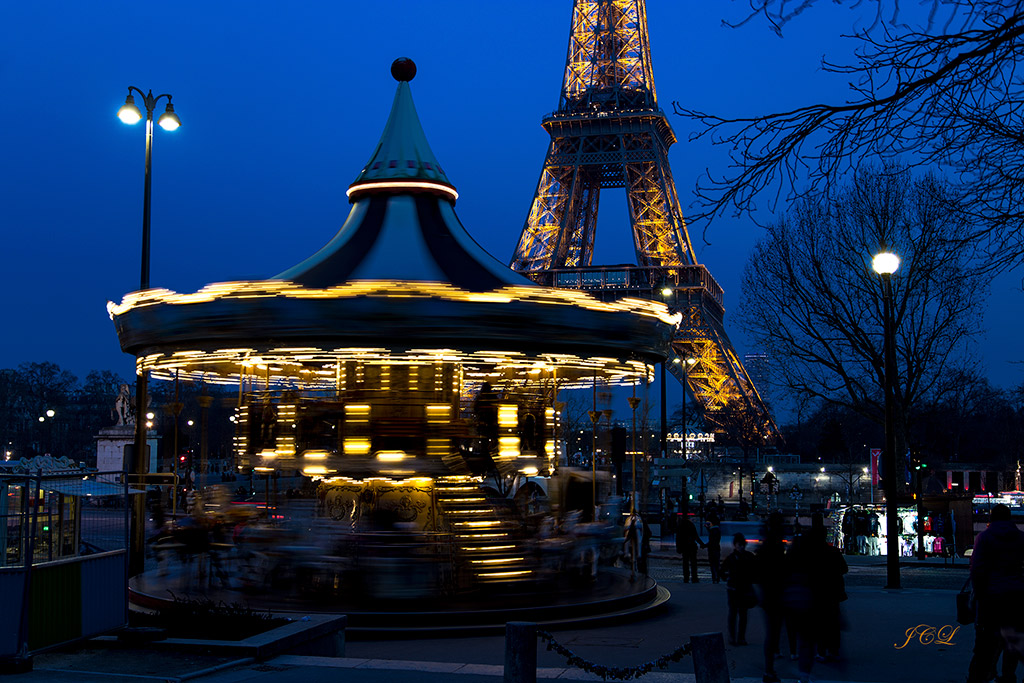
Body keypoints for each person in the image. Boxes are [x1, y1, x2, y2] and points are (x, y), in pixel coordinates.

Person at [967, 504, 1024, 683]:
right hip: (1016, 597)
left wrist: (979, 594)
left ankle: (982, 675)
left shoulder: (984, 538)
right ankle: (1008, 676)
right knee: (1012, 642)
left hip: (990, 597)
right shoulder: (1021, 538)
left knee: (985, 642)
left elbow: (977, 570)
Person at [756, 511, 788, 683]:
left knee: (772, 632)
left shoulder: (767, 545)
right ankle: (770, 668)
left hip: (768, 594)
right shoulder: (775, 545)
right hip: (777, 594)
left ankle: (770, 667)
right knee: (775, 632)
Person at [721, 532, 757, 645]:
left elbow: (722, 571)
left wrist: (726, 578)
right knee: (741, 614)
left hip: (734, 589)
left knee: (736, 614)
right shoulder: (749, 556)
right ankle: (740, 637)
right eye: (739, 544)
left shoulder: (731, 558)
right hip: (741, 589)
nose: (740, 546)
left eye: (741, 544)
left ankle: (735, 637)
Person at [676, 512, 706, 583]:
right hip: (692, 546)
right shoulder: (691, 525)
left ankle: (686, 577)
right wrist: (702, 544)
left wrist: (678, 547)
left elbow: (678, 538)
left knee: (685, 563)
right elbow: (695, 536)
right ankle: (694, 577)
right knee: (693, 563)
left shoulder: (680, 525)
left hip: (684, 547)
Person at [706, 513, 723, 583]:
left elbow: (712, 541)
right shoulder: (717, 530)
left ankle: (715, 578)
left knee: (713, 564)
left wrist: (705, 545)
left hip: (712, 549)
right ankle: (717, 577)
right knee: (716, 564)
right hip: (716, 549)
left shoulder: (713, 531)